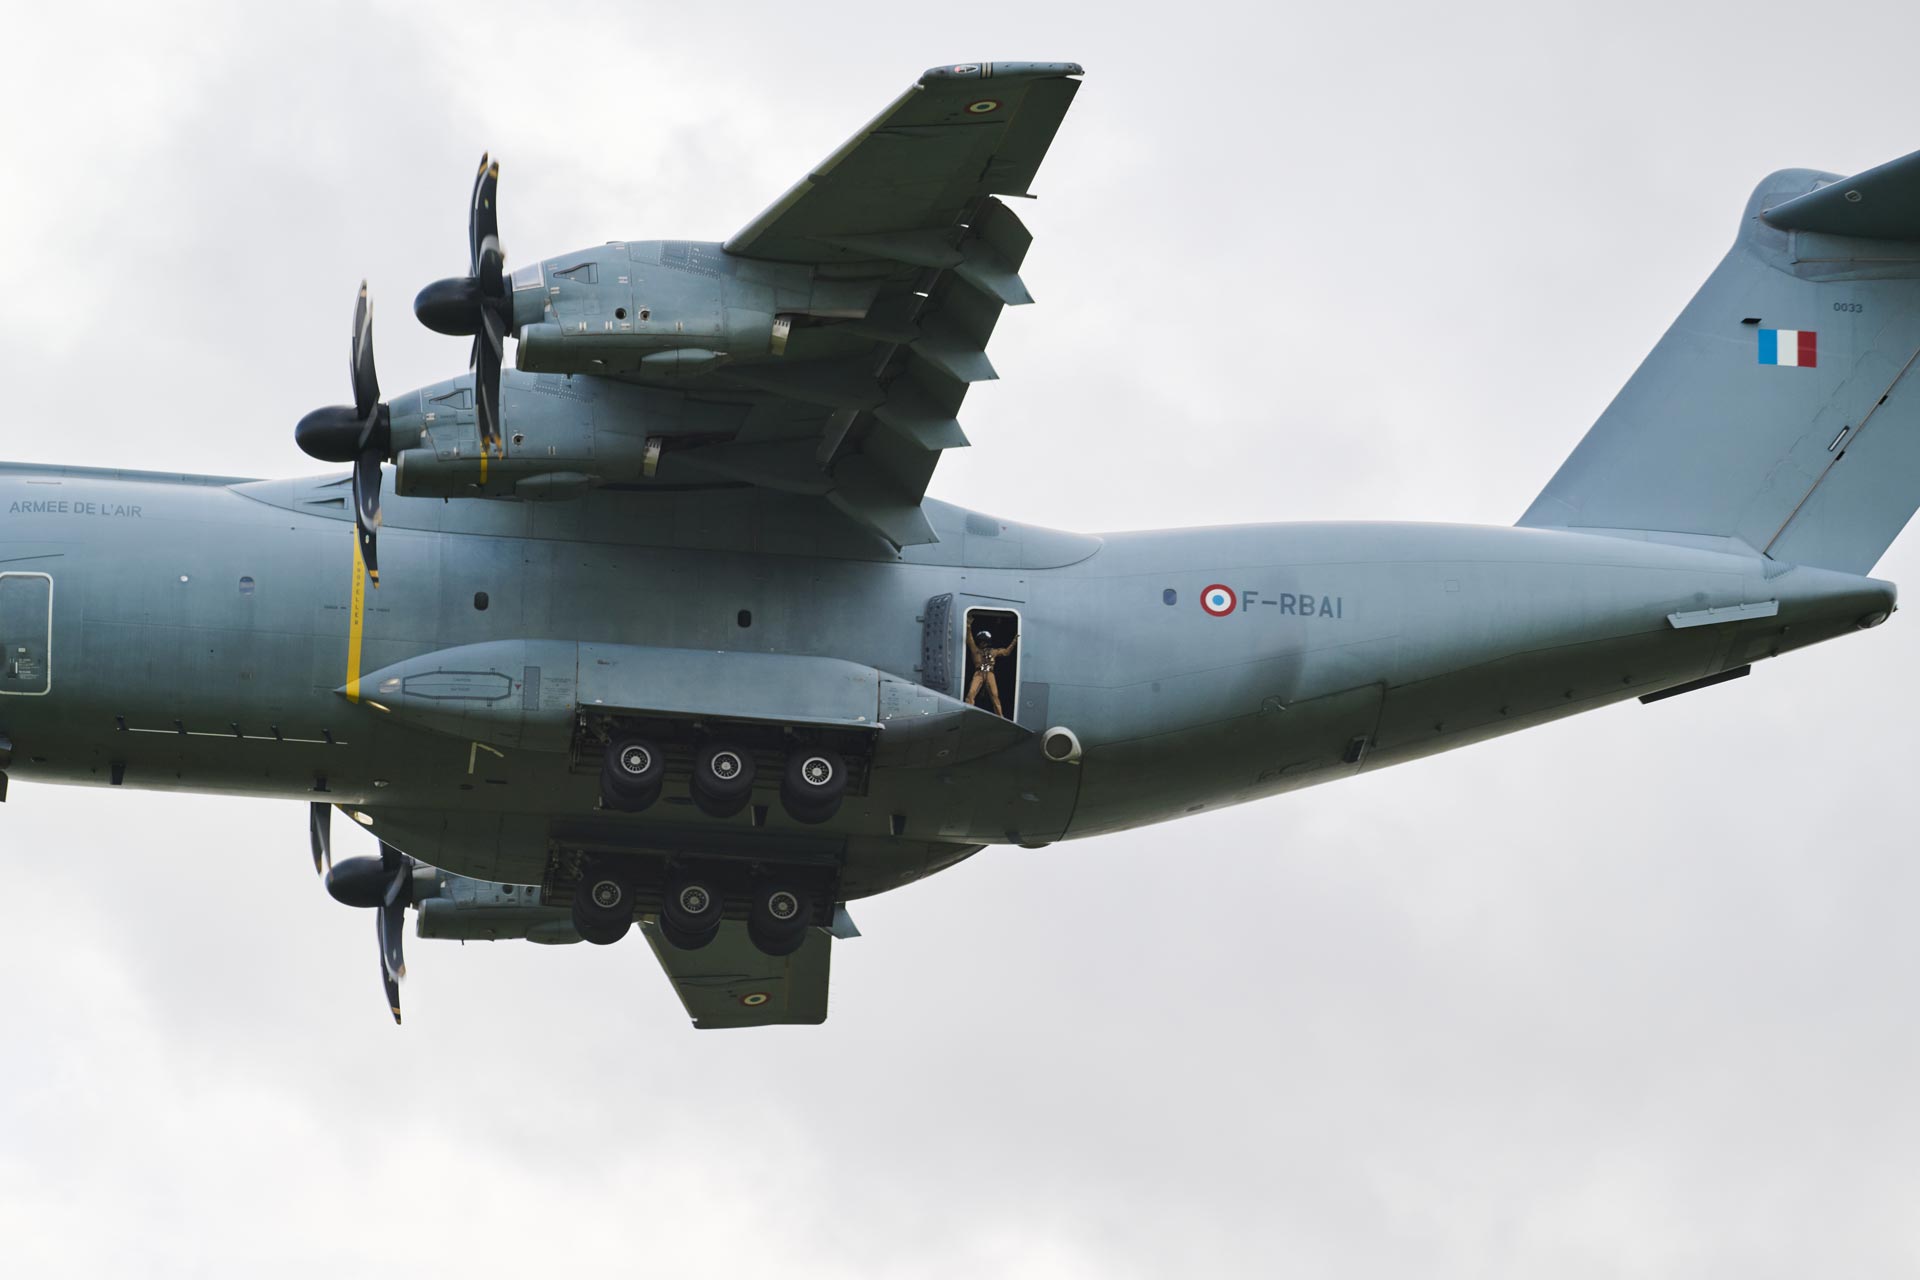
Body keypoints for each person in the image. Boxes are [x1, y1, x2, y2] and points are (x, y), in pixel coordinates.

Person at [966, 625, 1017, 717]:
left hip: (990, 674)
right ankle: (968, 713)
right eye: (981, 642)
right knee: (971, 693)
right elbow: (970, 640)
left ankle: (1000, 716)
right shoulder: (975, 650)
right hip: (978, 673)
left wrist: (1014, 641)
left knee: (995, 696)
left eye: (984, 642)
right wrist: (968, 627)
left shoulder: (993, 651)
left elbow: (1006, 652)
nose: (983, 644)